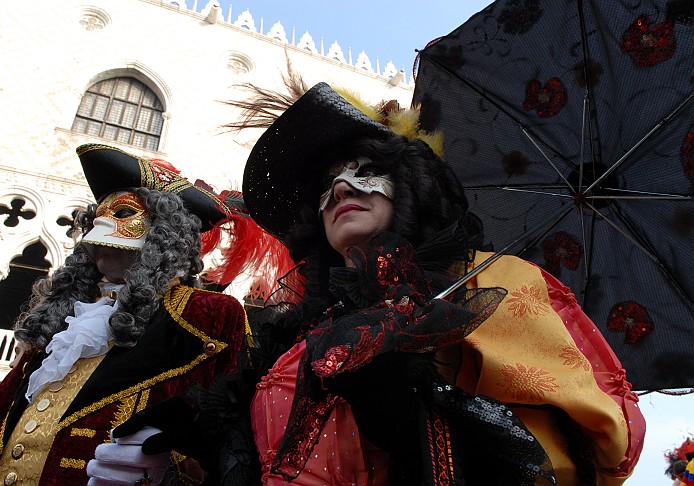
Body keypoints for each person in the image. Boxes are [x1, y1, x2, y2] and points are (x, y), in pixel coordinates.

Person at [103, 80, 645, 484]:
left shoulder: (488, 282)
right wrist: (207, 437)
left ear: (411, 187)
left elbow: (587, 447)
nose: (340, 188)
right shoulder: (304, 331)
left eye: (365, 169)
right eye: (326, 185)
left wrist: (416, 415)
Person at [0, 143, 252, 486]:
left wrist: (177, 469)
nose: (103, 225)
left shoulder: (204, 317)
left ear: (165, 233)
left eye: (121, 213)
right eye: (98, 215)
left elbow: (222, 433)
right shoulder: (69, 320)